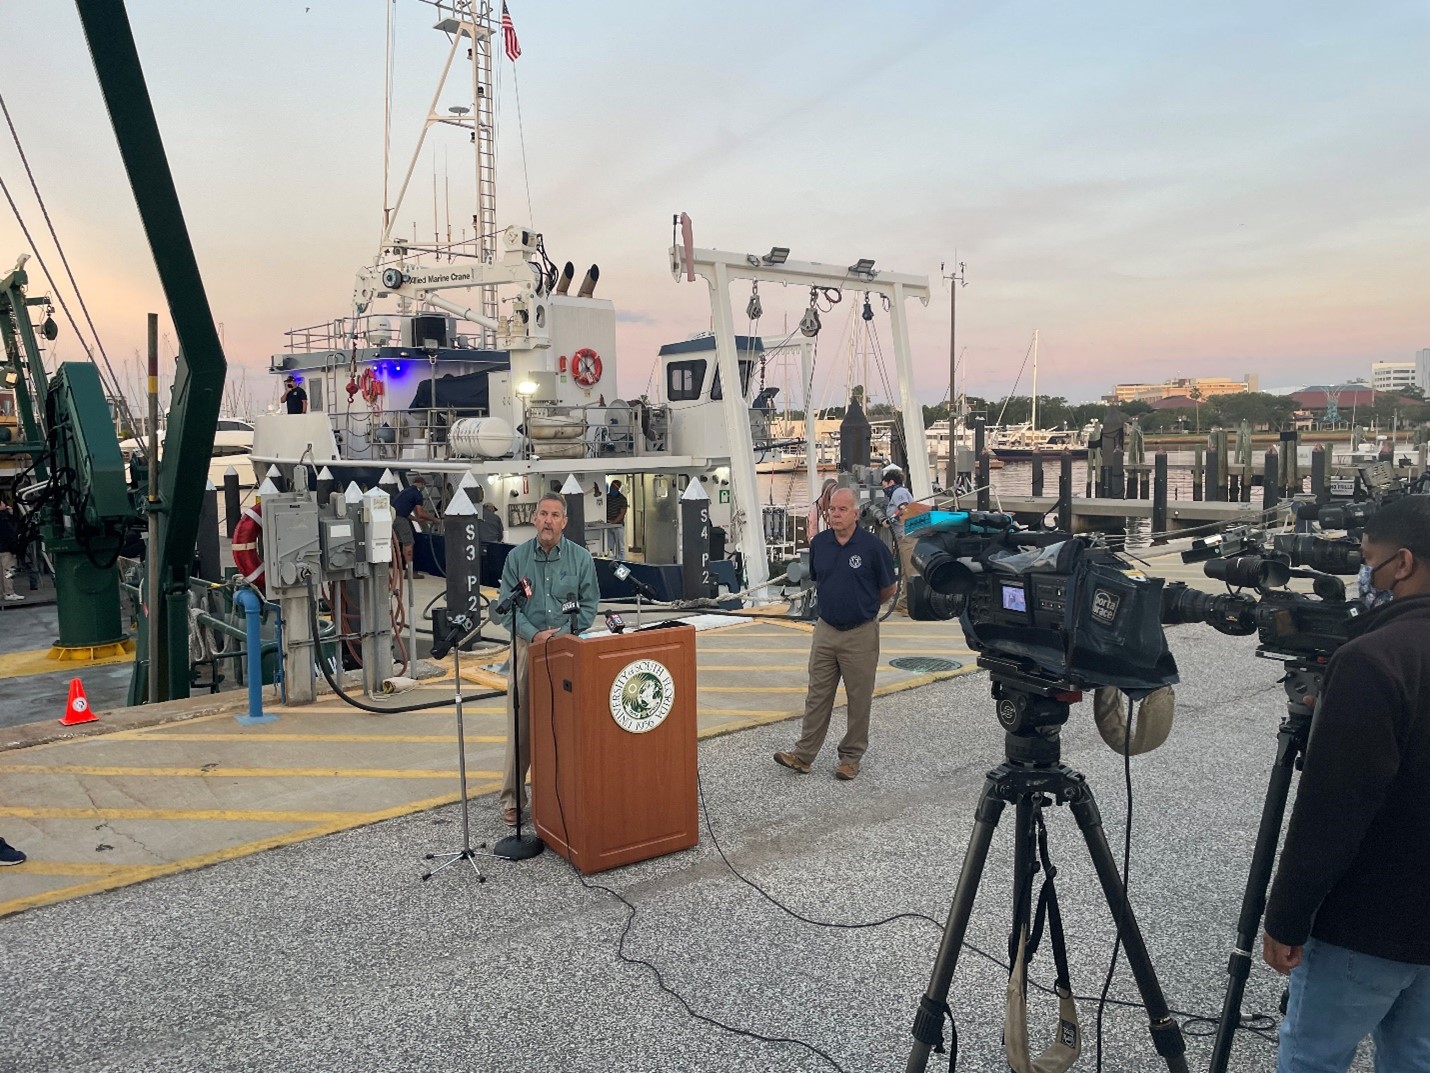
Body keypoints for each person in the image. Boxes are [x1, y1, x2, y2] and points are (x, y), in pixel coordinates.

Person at [1262, 494, 1430, 1072]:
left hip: (1366, 925)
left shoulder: (1374, 658)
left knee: (1314, 1057)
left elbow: (1333, 811)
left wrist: (1287, 917)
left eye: (1367, 557)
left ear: (1401, 564)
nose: (1365, 573)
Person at [774, 486, 895, 781]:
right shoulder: (820, 544)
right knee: (817, 695)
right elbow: (819, 579)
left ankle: (850, 758)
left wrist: (863, 608)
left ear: (856, 513)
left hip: (860, 633)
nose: (835, 514)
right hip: (826, 631)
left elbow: (888, 589)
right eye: (832, 510)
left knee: (859, 699)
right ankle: (803, 756)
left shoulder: (872, 547)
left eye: (842, 509)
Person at [493, 493, 599, 825]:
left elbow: (590, 605)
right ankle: (512, 799)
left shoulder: (581, 559)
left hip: (567, 645)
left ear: (564, 522)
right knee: (520, 723)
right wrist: (534, 635)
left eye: (555, 515)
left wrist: (564, 632)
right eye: (543, 514)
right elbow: (505, 609)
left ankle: (562, 793)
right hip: (528, 646)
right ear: (534, 519)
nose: (548, 521)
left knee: (566, 723)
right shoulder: (517, 558)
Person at [880, 466, 916, 608]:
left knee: (908, 569)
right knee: (903, 569)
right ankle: (904, 601)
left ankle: (908, 603)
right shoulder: (900, 491)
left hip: (907, 535)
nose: (884, 489)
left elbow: (904, 509)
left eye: (884, 485)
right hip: (903, 536)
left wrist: (890, 521)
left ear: (891, 482)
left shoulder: (898, 492)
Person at [391, 475, 438, 579]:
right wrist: (434, 519)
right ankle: (410, 571)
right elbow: (420, 513)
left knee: (403, 543)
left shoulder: (405, 491)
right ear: (422, 484)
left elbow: (403, 511)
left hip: (392, 518)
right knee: (409, 543)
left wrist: (416, 520)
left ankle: (406, 567)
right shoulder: (417, 494)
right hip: (400, 520)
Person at [0, 500, 22, 601]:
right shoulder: (4, 518)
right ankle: (9, 592)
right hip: (6, 549)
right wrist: (15, 550)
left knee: (1, 573)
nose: (6, 505)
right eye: (3, 503)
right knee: (9, 571)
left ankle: (2, 593)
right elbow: (11, 533)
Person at [605, 478, 628, 559]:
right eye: (611, 487)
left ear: (618, 488)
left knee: (620, 547)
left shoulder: (622, 499)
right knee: (609, 546)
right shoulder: (607, 497)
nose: (612, 489)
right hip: (608, 525)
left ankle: (622, 562)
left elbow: (622, 513)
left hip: (618, 526)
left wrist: (614, 522)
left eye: (614, 487)